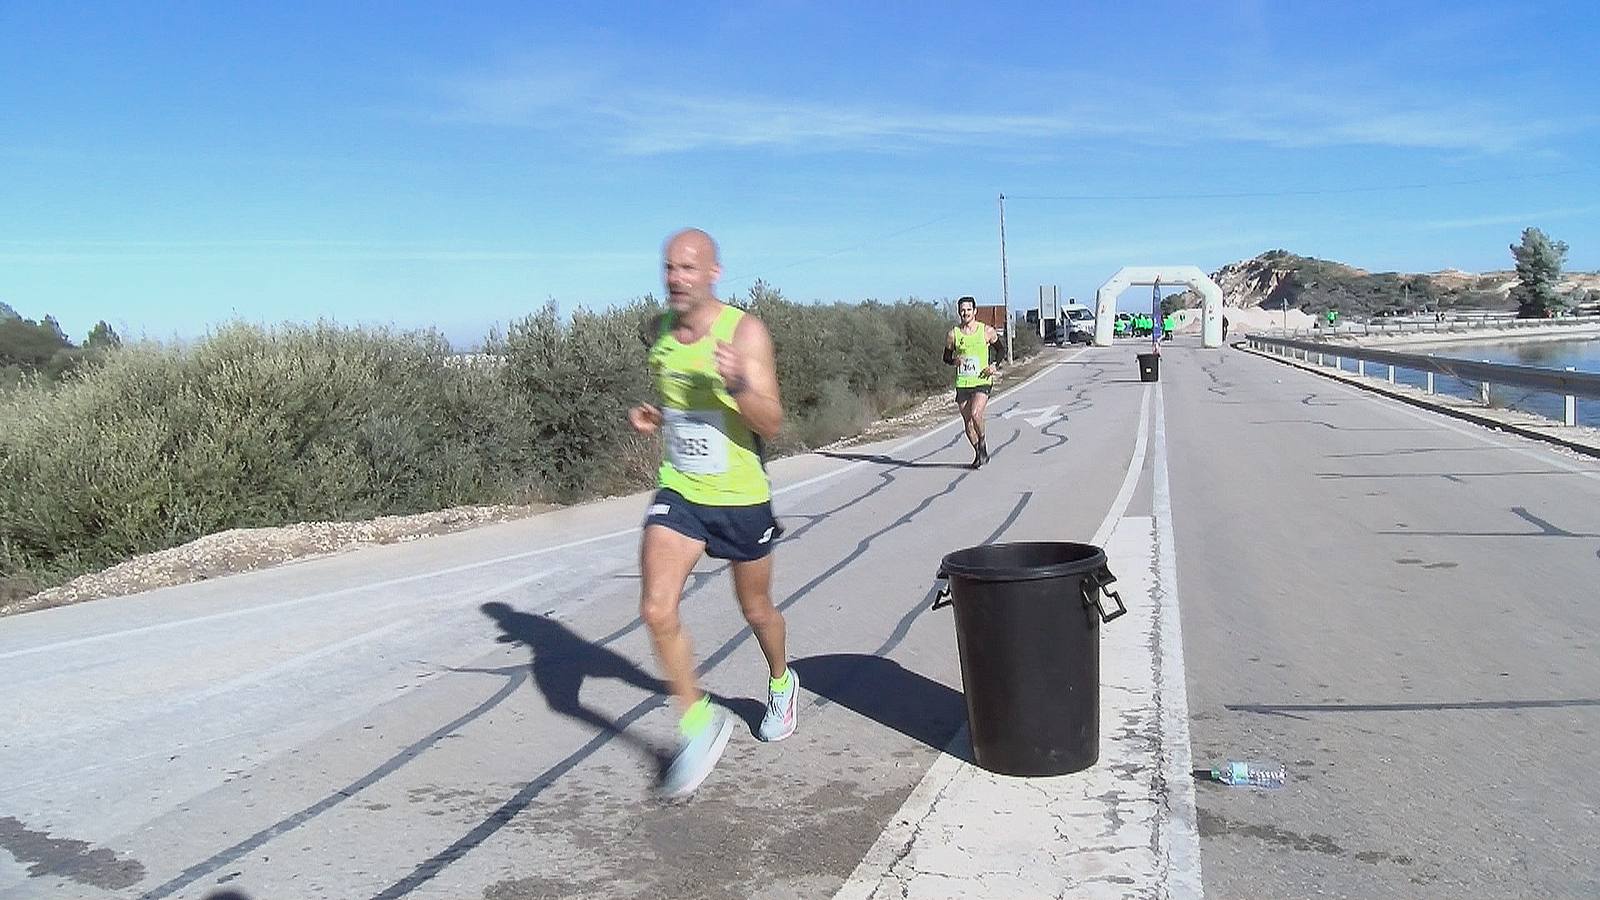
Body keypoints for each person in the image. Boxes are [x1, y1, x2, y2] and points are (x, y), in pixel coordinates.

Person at [627, 228, 798, 797]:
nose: (676, 278)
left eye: (688, 268)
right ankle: (697, 722)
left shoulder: (744, 332)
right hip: (682, 492)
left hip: (742, 498)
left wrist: (739, 384)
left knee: (756, 609)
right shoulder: (659, 333)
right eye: (669, 267)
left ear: (714, 273)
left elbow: (771, 423)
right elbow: (681, 406)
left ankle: (781, 681)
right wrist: (658, 417)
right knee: (656, 609)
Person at [945, 296, 1001, 468]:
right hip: (963, 382)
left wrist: (994, 365)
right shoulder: (953, 334)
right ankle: (979, 453)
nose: (965, 313)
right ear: (959, 312)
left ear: (975, 311)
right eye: (962, 310)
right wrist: (955, 361)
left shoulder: (986, 331)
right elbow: (946, 357)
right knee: (968, 422)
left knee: (976, 414)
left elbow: (1001, 350)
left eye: (969, 309)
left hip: (982, 380)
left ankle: (982, 442)